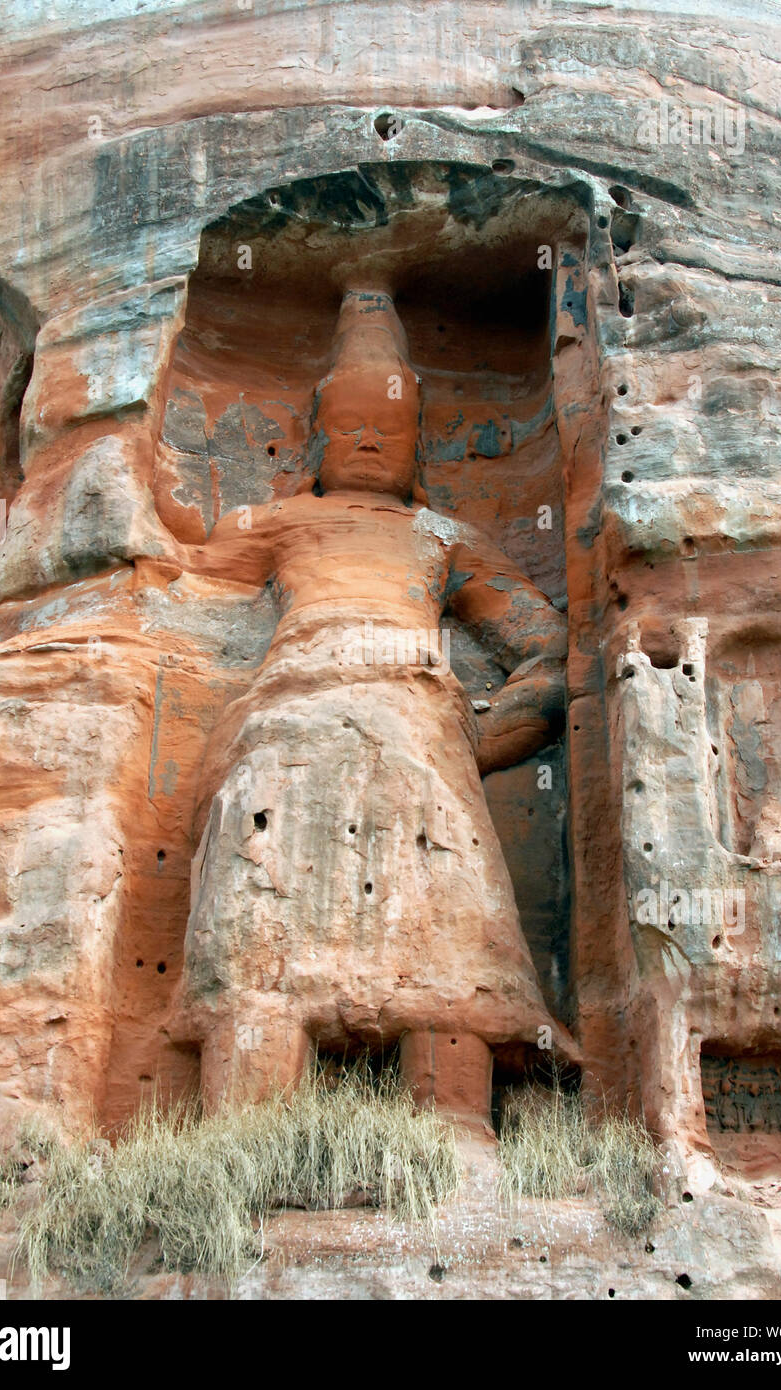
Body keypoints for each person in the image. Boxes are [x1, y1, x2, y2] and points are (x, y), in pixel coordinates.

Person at [170, 289, 579, 1125]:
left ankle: (453, 1124)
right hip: (287, 717)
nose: (366, 437)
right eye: (348, 424)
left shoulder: (443, 537)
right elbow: (174, 601)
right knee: (259, 938)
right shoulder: (275, 522)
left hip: (418, 725)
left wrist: (478, 732)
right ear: (313, 436)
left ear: (415, 444)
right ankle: (241, 1132)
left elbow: (548, 648)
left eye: (388, 429)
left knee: (449, 936)